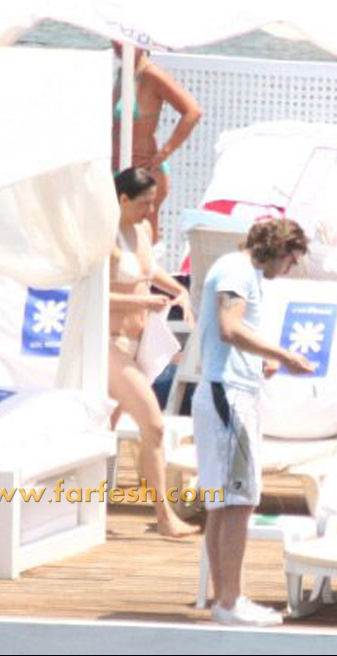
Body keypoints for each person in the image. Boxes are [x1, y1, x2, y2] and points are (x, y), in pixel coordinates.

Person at [192, 218, 314, 626]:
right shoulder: (236, 270)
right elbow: (230, 328)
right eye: (291, 260)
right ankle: (231, 601)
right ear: (279, 248)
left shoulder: (244, 273)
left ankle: (224, 599)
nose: (289, 268)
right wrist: (283, 355)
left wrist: (259, 362)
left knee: (224, 504)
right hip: (228, 397)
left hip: (226, 392)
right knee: (239, 502)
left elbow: (229, 335)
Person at [109, 166, 198, 538]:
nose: (150, 210)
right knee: (155, 425)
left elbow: (150, 270)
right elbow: (92, 296)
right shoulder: (105, 237)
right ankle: (164, 517)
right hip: (111, 343)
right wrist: (144, 301)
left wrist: (179, 290)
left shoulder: (142, 229)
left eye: (154, 202)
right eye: (144, 203)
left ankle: (80, 508)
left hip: (140, 343)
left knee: (104, 427)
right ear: (122, 199)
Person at [112, 44, 202, 242]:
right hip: (118, 170)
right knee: (119, 238)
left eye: (122, 40)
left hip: (145, 171)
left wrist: (165, 152)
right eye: (114, 39)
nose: (117, 44)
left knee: (145, 240)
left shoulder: (151, 75)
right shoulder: (123, 72)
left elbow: (193, 111)